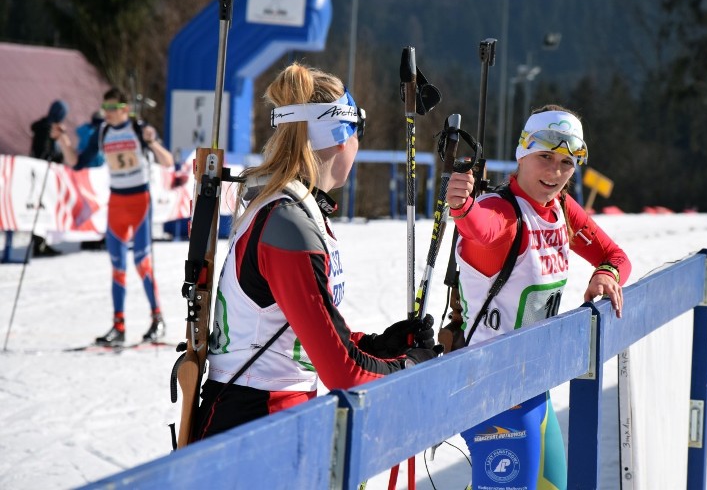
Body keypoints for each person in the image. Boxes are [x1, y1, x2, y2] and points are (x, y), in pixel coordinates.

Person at [195, 63, 440, 440]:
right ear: (343, 137)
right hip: (255, 420)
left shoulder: (294, 207)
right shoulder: (288, 223)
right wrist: (407, 367)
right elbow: (342, 372)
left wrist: (378, 346)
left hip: (272, 411)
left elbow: (303, 332)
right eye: (358, 133)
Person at [444, 105, 632, 490]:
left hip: (534, 385)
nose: (555, 172)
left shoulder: (560, 208)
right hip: (494, 388)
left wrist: (605, 274)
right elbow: (481, 228)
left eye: (567, 162)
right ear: (522, 153)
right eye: (545, 157)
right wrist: (462, 206)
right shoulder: (501, 210)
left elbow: (616, 257)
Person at [51, 87, 174, 346]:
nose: (107, 113)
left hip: (139, 202)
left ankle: (157, 319)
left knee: (142, 263)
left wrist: (152, 142)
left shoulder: (139, 129)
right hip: (117, 203)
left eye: (112, 109)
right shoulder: (103, 132)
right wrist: (63, 141)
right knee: (117, 267)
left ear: (125, 110)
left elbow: (167, 161)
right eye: (105, 108)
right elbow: (76, 162)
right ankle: (118, 326)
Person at [28, 100, 69, 256]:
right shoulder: (47, 128)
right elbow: (44, 152)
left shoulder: (45, 126)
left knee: (45, 207)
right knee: (41, 207)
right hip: (42, 173)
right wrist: (56, 155)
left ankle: (42, 242)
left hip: (43, 172)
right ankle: (39, 245)